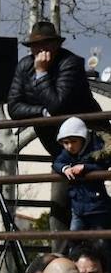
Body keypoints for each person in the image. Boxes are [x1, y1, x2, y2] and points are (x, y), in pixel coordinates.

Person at [7, 20, 99, 157]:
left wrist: (41, 73)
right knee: (63, 171)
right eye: (35, 45)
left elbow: (57, 106)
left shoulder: (70, 63)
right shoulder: (24, 66)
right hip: (53, 139)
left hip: (86, 136)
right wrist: (43, 112)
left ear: (57, 44)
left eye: (46, 44)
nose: (41, 49)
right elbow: (13, 108)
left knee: (88, 175)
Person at [50, 117, 111, 238]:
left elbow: (103, 166)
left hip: (98, 207)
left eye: (73, 141)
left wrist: (85, 167)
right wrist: (65, 168)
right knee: (74, 239)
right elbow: (57, 163)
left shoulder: (97, 149)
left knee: (101, 240)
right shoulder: (67, 153)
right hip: (78, 207)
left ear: (83, 139)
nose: (69, 146)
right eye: (65, 143)